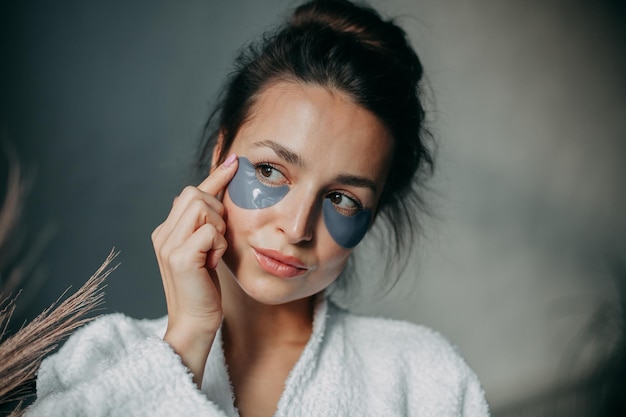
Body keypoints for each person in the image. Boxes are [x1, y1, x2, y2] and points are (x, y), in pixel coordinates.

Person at [26, 0, 490, 416]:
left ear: (373, 214)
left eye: (342, 198)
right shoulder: (98, 360)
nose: (295, 227)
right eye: (270, 171)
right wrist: (184, 341)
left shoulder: (425, 379)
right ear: (220, 154)